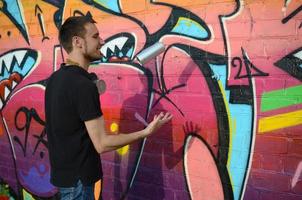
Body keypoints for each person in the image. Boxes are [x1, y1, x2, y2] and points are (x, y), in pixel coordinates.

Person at [45, 16, 172, 200]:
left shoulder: (55, 80)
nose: (102, 41)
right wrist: (145, 132)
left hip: (65, 180)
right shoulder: (82, 86)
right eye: (96, 37)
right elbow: (102, 143)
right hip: (79, 185)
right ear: (78, 42)